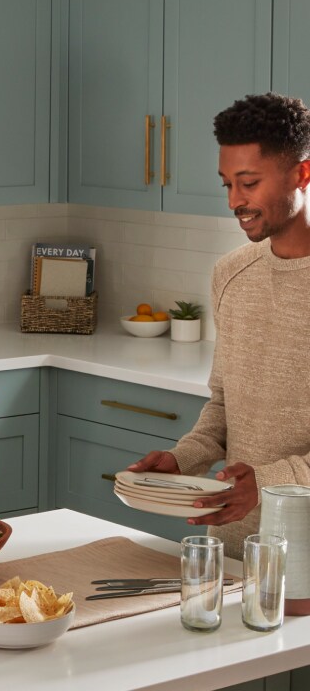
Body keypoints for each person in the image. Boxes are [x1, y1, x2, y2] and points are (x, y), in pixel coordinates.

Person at [128, 92, 310, 558]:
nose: (235, 201)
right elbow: (224, 406)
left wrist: (267, 483)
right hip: (231, 548)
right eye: (226, 184)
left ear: (302, 174)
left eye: (248, 183)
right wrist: (182, 458)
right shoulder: (231, 273)